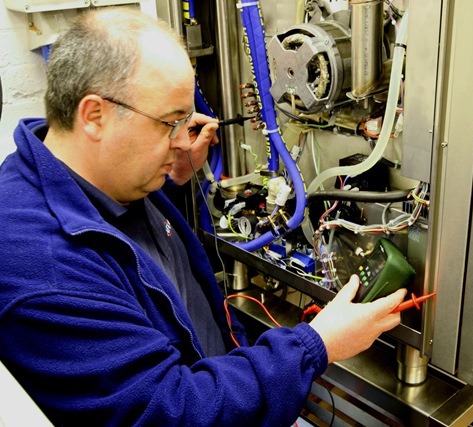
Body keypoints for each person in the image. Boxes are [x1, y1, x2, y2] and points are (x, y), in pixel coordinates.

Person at [0, 8, 406, 427]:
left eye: (186, 121)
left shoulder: (95, 176)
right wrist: (316, 345)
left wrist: (170, 181)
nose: (184, 140)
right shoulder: (44, 271)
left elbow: (138, 263)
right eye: (170, 123)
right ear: (94, 116)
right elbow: (170, 412)